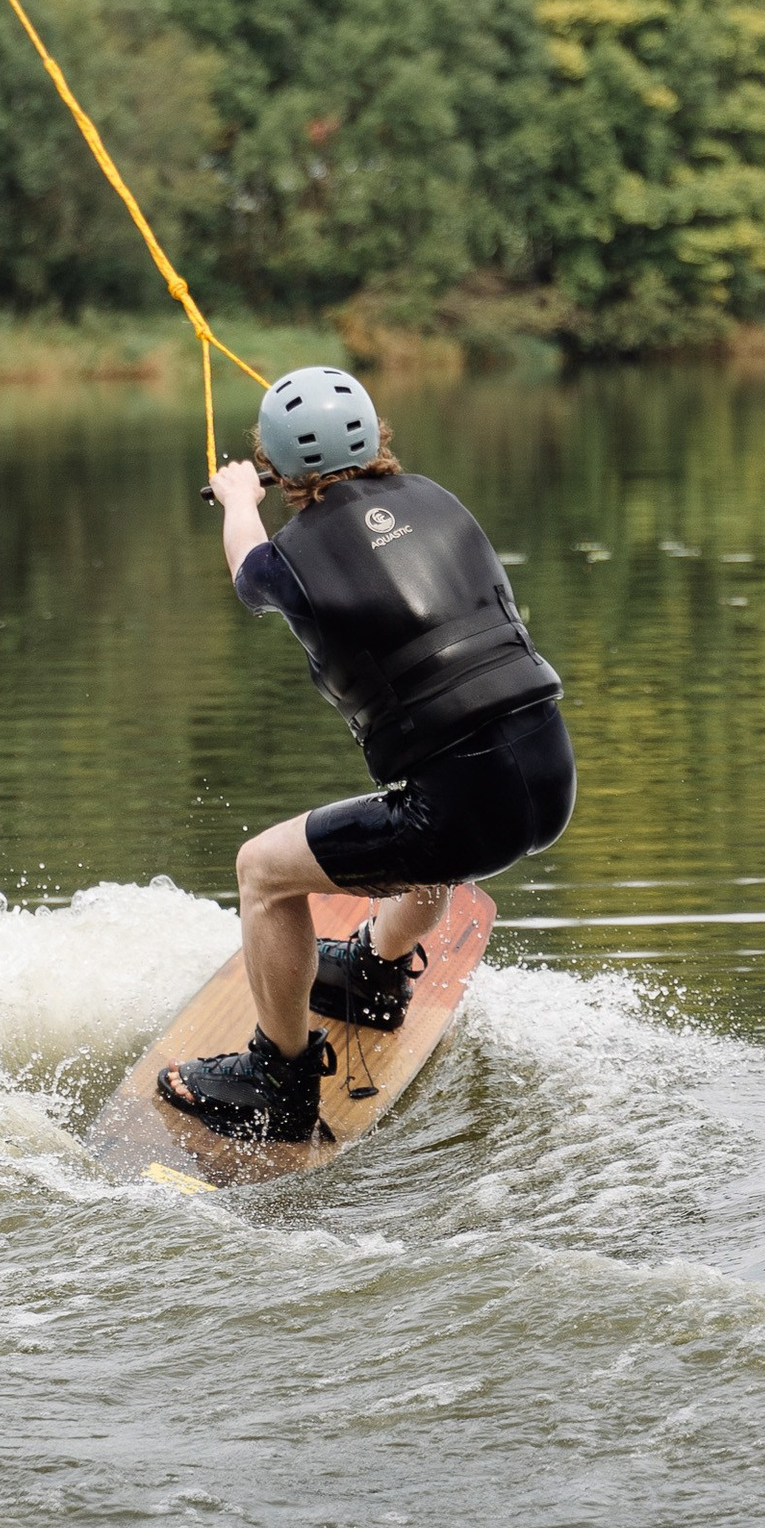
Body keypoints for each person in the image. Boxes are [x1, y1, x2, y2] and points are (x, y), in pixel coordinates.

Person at [157, 361, 574, 1146]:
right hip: (549, 775)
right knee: (437, 818)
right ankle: (375, 975)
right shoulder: (437, 499)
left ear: (280, 467)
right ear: (378, 434)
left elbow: (248, 570)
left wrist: (241, 499)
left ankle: (277, 1081)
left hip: (463, 808)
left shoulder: (294, 554)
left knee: (262, 872)